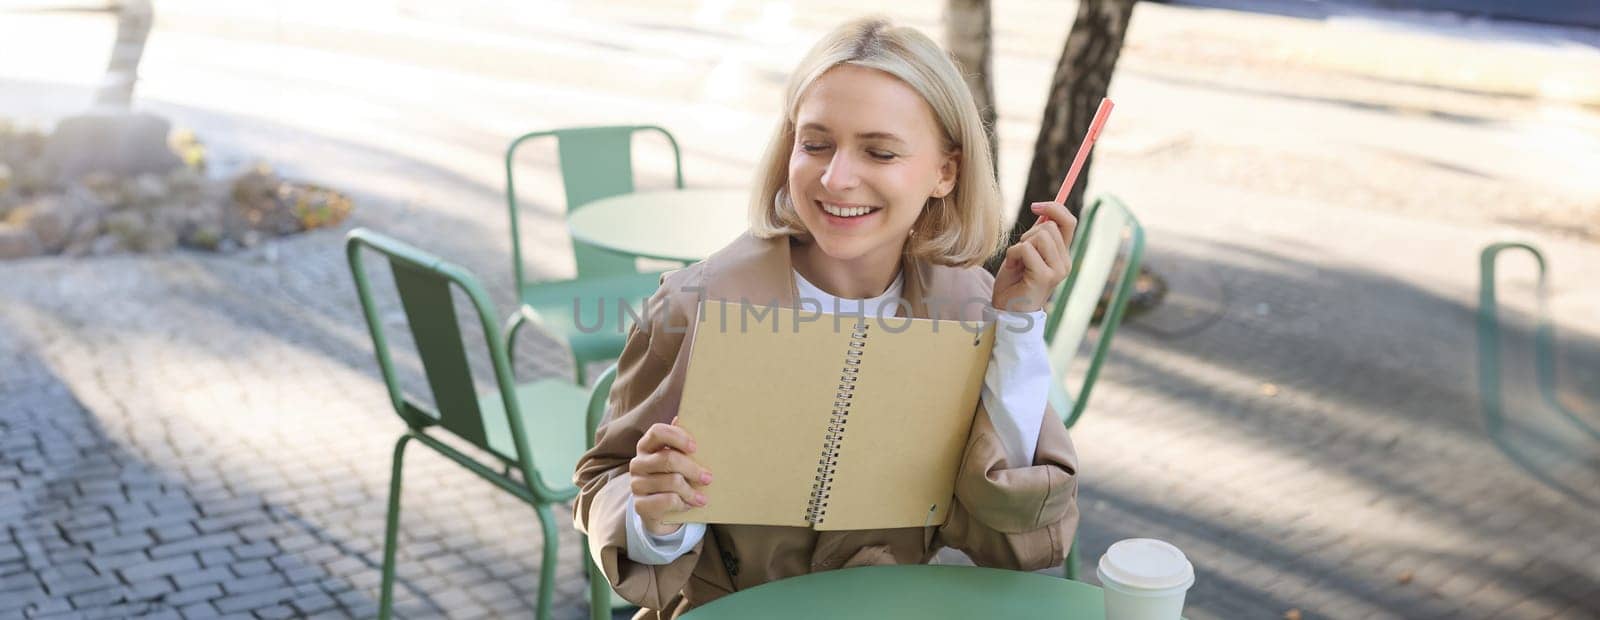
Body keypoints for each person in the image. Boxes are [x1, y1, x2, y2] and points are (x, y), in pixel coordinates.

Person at [573, 16, 1080, 619]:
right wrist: (657, 517)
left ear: (946, 171)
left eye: (880, 151)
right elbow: (605, 478)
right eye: (815, 144)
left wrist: (1019, 327)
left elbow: (1011, 525)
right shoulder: (697, 304)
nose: (837, 177)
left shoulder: (974, 312)